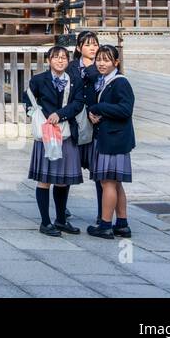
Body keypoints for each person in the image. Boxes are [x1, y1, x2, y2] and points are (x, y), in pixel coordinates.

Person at [22, 45, 85, 236]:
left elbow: (78, 103)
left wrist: (60, 114)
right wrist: (37, 117)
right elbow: (28, 101)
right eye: (56, 57)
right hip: (47, 135)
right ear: (49, 60)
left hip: (66, 132)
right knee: (45, 179)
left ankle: (60, 219)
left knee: (63, 180)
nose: (60, 61)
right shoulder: (39, 80)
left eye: (64, 57)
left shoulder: (74, 80)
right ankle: (45, 222)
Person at [86, 44, 135, 239]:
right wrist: (94, 111)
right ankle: (122, 224)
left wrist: (100, 107)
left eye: (106, 60)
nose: (101, 63)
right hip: (113, 137)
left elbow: (125, 110)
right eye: (99, 59)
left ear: (116, 62)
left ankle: (105, 225)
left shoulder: (120, 82)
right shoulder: (104, 81)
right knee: (116, 183)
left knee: (107, 183)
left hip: (114, 139)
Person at [71, 30, 102, 211]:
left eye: (95, 44)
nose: (93, 48)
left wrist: (92, 67)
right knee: (66, 169)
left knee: (99, 172)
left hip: (95, 124)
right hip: (75, 122)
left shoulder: (102, 66)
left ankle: (102, 212)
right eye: (88, 44)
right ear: (78, 47)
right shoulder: (71, 66)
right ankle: (62, 211)